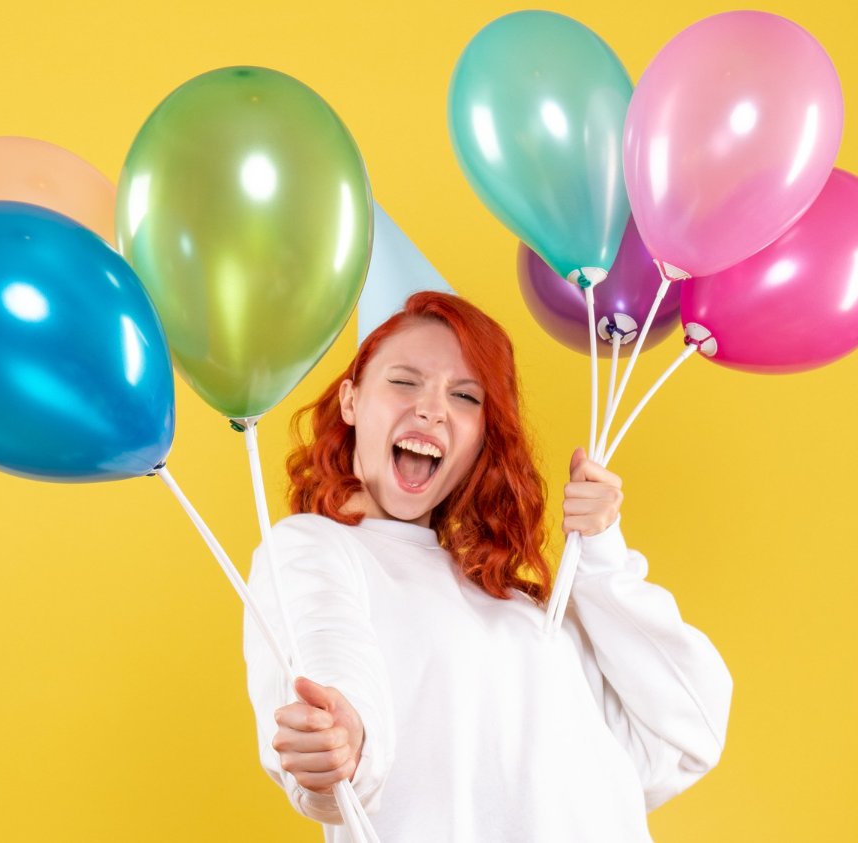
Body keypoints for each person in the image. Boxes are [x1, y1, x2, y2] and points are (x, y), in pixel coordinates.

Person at [242, 292, 732, 842]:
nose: (432, 408)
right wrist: (345, 741)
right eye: (404, 381)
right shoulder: (313, 548)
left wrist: (600, 556)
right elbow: (326, 651)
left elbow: (686, 732)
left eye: (465, 395)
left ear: (480, 440)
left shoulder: (518, 607)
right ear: (352, 401)